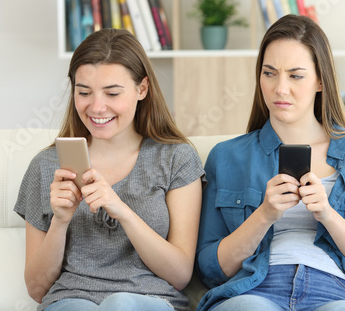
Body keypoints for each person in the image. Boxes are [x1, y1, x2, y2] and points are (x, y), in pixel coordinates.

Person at [195, 14, 345, 311]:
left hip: (338, 292)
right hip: (255, 290)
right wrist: (264, 214)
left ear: (320, 80)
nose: (280, 89)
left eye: (295, 75)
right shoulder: (227, 157)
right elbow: (209, 269)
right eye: (269, 73)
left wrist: (328, 215)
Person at [14, 28, 204, 311]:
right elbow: (37, 289)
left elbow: (179, 274)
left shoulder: (176, 158)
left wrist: (122, 211)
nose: (97, 107)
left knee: (121, 304)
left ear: (142, 89)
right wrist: (60, 221)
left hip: (149, 302)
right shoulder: (46, 167)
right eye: (84, 92)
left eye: (112, 93)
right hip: (70, 302)